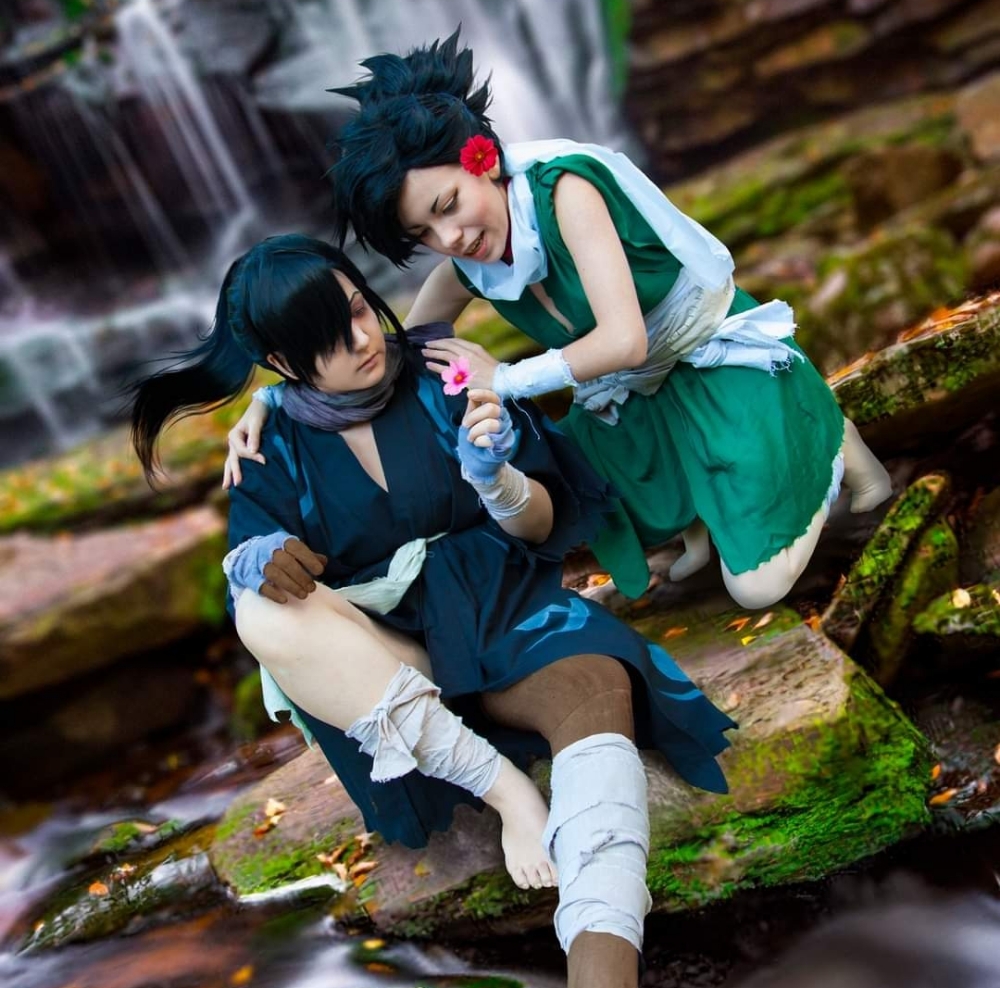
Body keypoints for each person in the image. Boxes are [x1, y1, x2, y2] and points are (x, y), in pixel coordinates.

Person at [129, 235, 735, 988]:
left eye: (358, 310)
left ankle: (601, 977)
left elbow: (546, 525)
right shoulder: (271, 442)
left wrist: (498, 479)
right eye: (328, 339)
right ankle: (507, 791)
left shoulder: (444, 371)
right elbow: (255, 568)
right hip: (393, 674)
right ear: (282, 363)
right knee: (261, 613)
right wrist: (263, 556)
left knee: (596, 690)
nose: (362, 340)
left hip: (509, 620)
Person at [226, 32, 893, 610]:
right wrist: (279, 398)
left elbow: (625, 341)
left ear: (482, 159)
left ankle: (819, 428)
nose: (450, 238)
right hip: (640, 397)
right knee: (571, 466)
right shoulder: (470, 265)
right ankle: (706, 515)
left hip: (707, 356)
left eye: (449, 204)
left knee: (757, 591)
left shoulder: (567, 192)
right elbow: (395, 350)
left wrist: (506, 379)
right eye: (423, 232)